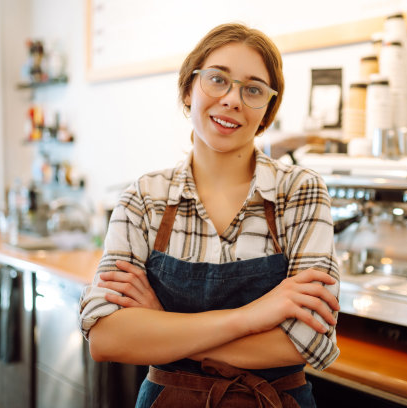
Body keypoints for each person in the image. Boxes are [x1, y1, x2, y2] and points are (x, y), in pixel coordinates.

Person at [79, 23, 340, 408]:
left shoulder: (300, 191)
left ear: (267, 108)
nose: (232, 99)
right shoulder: (144, 198)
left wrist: (163, 326)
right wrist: (254, 316)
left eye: (253, 89)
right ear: (188, 89)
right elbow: (106, 337)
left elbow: (309, 340)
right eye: (217, 80)